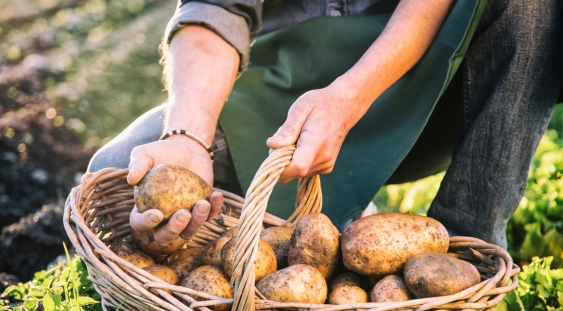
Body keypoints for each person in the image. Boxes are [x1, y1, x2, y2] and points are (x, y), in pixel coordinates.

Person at [88, 0, 563, 251]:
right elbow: (214, 12)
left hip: (424, 84)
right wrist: (187, 136)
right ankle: (332, 212)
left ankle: (467, 253)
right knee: (112, 171)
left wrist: (349, 96)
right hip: (283, 99)